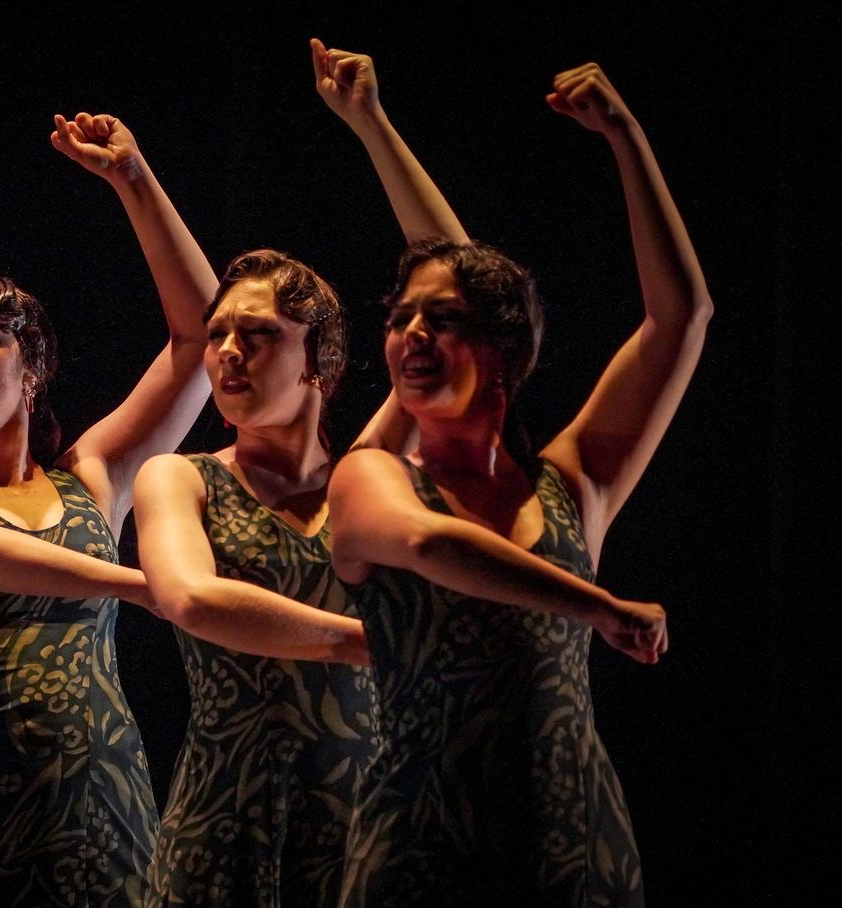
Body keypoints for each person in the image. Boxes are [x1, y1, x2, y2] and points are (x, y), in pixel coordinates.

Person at [328, 64, 709, 906]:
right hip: (421, 856)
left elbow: (681, 318)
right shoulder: (370, 479)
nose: (411, 335)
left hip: (577, 849)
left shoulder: (575, 485)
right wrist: (601, 607)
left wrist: (626, 136)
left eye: (444, 320)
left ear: (506, 351)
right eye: (399, 320)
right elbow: (432, 544)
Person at [131, 40, 471, 906]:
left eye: (260, 335)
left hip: (366, 822)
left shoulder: (370, 473)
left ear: (319, 358)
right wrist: (374, 644)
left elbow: (459, 290)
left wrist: (371, 124)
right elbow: (191, 599)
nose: (230, 354)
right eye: (218, 336)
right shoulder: (182, 480)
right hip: (221, 827)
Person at [0, 113, 214, 906]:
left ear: (33, 366)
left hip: (104, 818)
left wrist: (134, 180)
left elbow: (199, 341)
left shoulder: (90, 477)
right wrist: (137, 584)